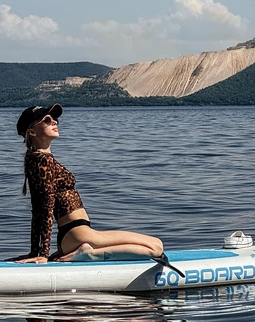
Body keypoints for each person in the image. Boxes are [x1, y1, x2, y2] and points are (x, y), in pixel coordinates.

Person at [14, 104, 164, 264]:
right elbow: (43, 209)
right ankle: (90, 254)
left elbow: (39, 209)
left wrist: (36, 251)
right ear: (32, 131)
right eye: (47, 120)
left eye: (55, 119)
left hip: (78, 232)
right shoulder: (41, 161)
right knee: (155, 248)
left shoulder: (41, 159)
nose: (55, 122)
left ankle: (85, 252)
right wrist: (42, 253)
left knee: (156, 245)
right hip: (75, 233)